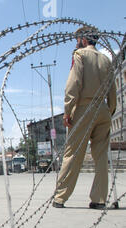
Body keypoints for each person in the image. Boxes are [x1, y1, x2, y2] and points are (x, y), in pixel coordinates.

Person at [53, 26, 117, 209]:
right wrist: (109, 110)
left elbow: (74, 84)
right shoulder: (106, 59)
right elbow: (112, 90)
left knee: (73, 153)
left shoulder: (80, 55)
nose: (76, 41)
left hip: (84, 108)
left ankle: (60, 197)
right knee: (101, 156)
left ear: (83, 39)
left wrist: (68, 110)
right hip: (103, 109)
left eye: (78, 38)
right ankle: (99, 199)